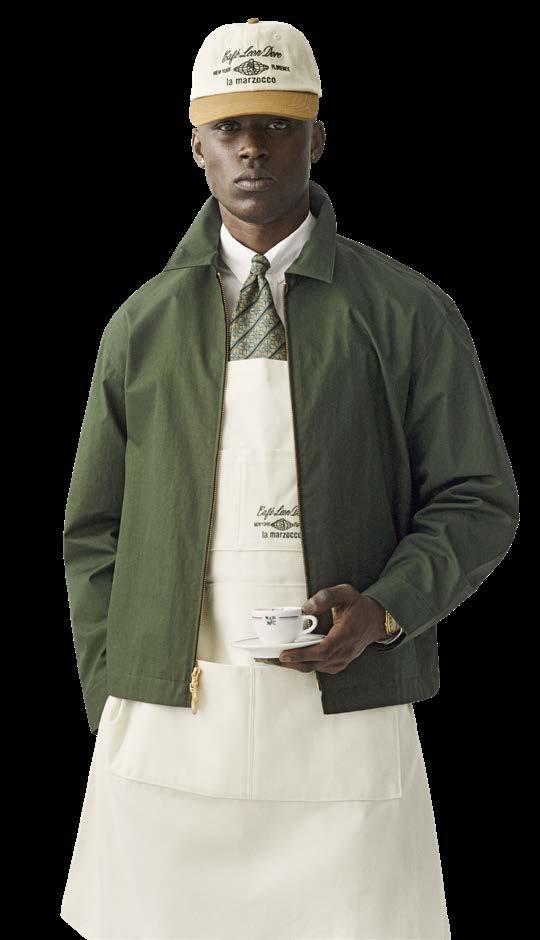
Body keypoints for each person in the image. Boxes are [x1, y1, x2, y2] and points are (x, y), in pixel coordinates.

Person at [60, 18, 519, 940]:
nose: (252, 147)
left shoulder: (408, 312)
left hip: (342, 722)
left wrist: (385, 612)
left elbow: (478, 499)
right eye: (229, 128)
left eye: (277, 124)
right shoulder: (142, 325)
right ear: (196, 145)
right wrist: (117, 689)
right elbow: (93, 529)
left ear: (317, 137)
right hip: (169, 731)